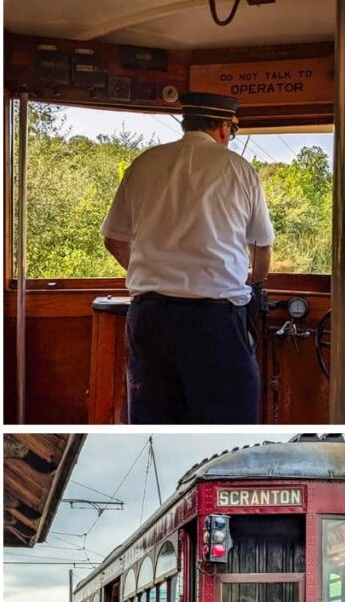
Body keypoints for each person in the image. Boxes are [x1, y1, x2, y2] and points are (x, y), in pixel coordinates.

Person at [101, 91, 275, 425]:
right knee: (228, 420)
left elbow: (114, 239)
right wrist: (256, 287)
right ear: (225, 129)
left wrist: (150, 270)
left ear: (187, 123)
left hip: (150, 319)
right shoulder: (240, 169)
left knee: (154, 416)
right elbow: (261, 248)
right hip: (217, 321)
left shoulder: (143, 164)